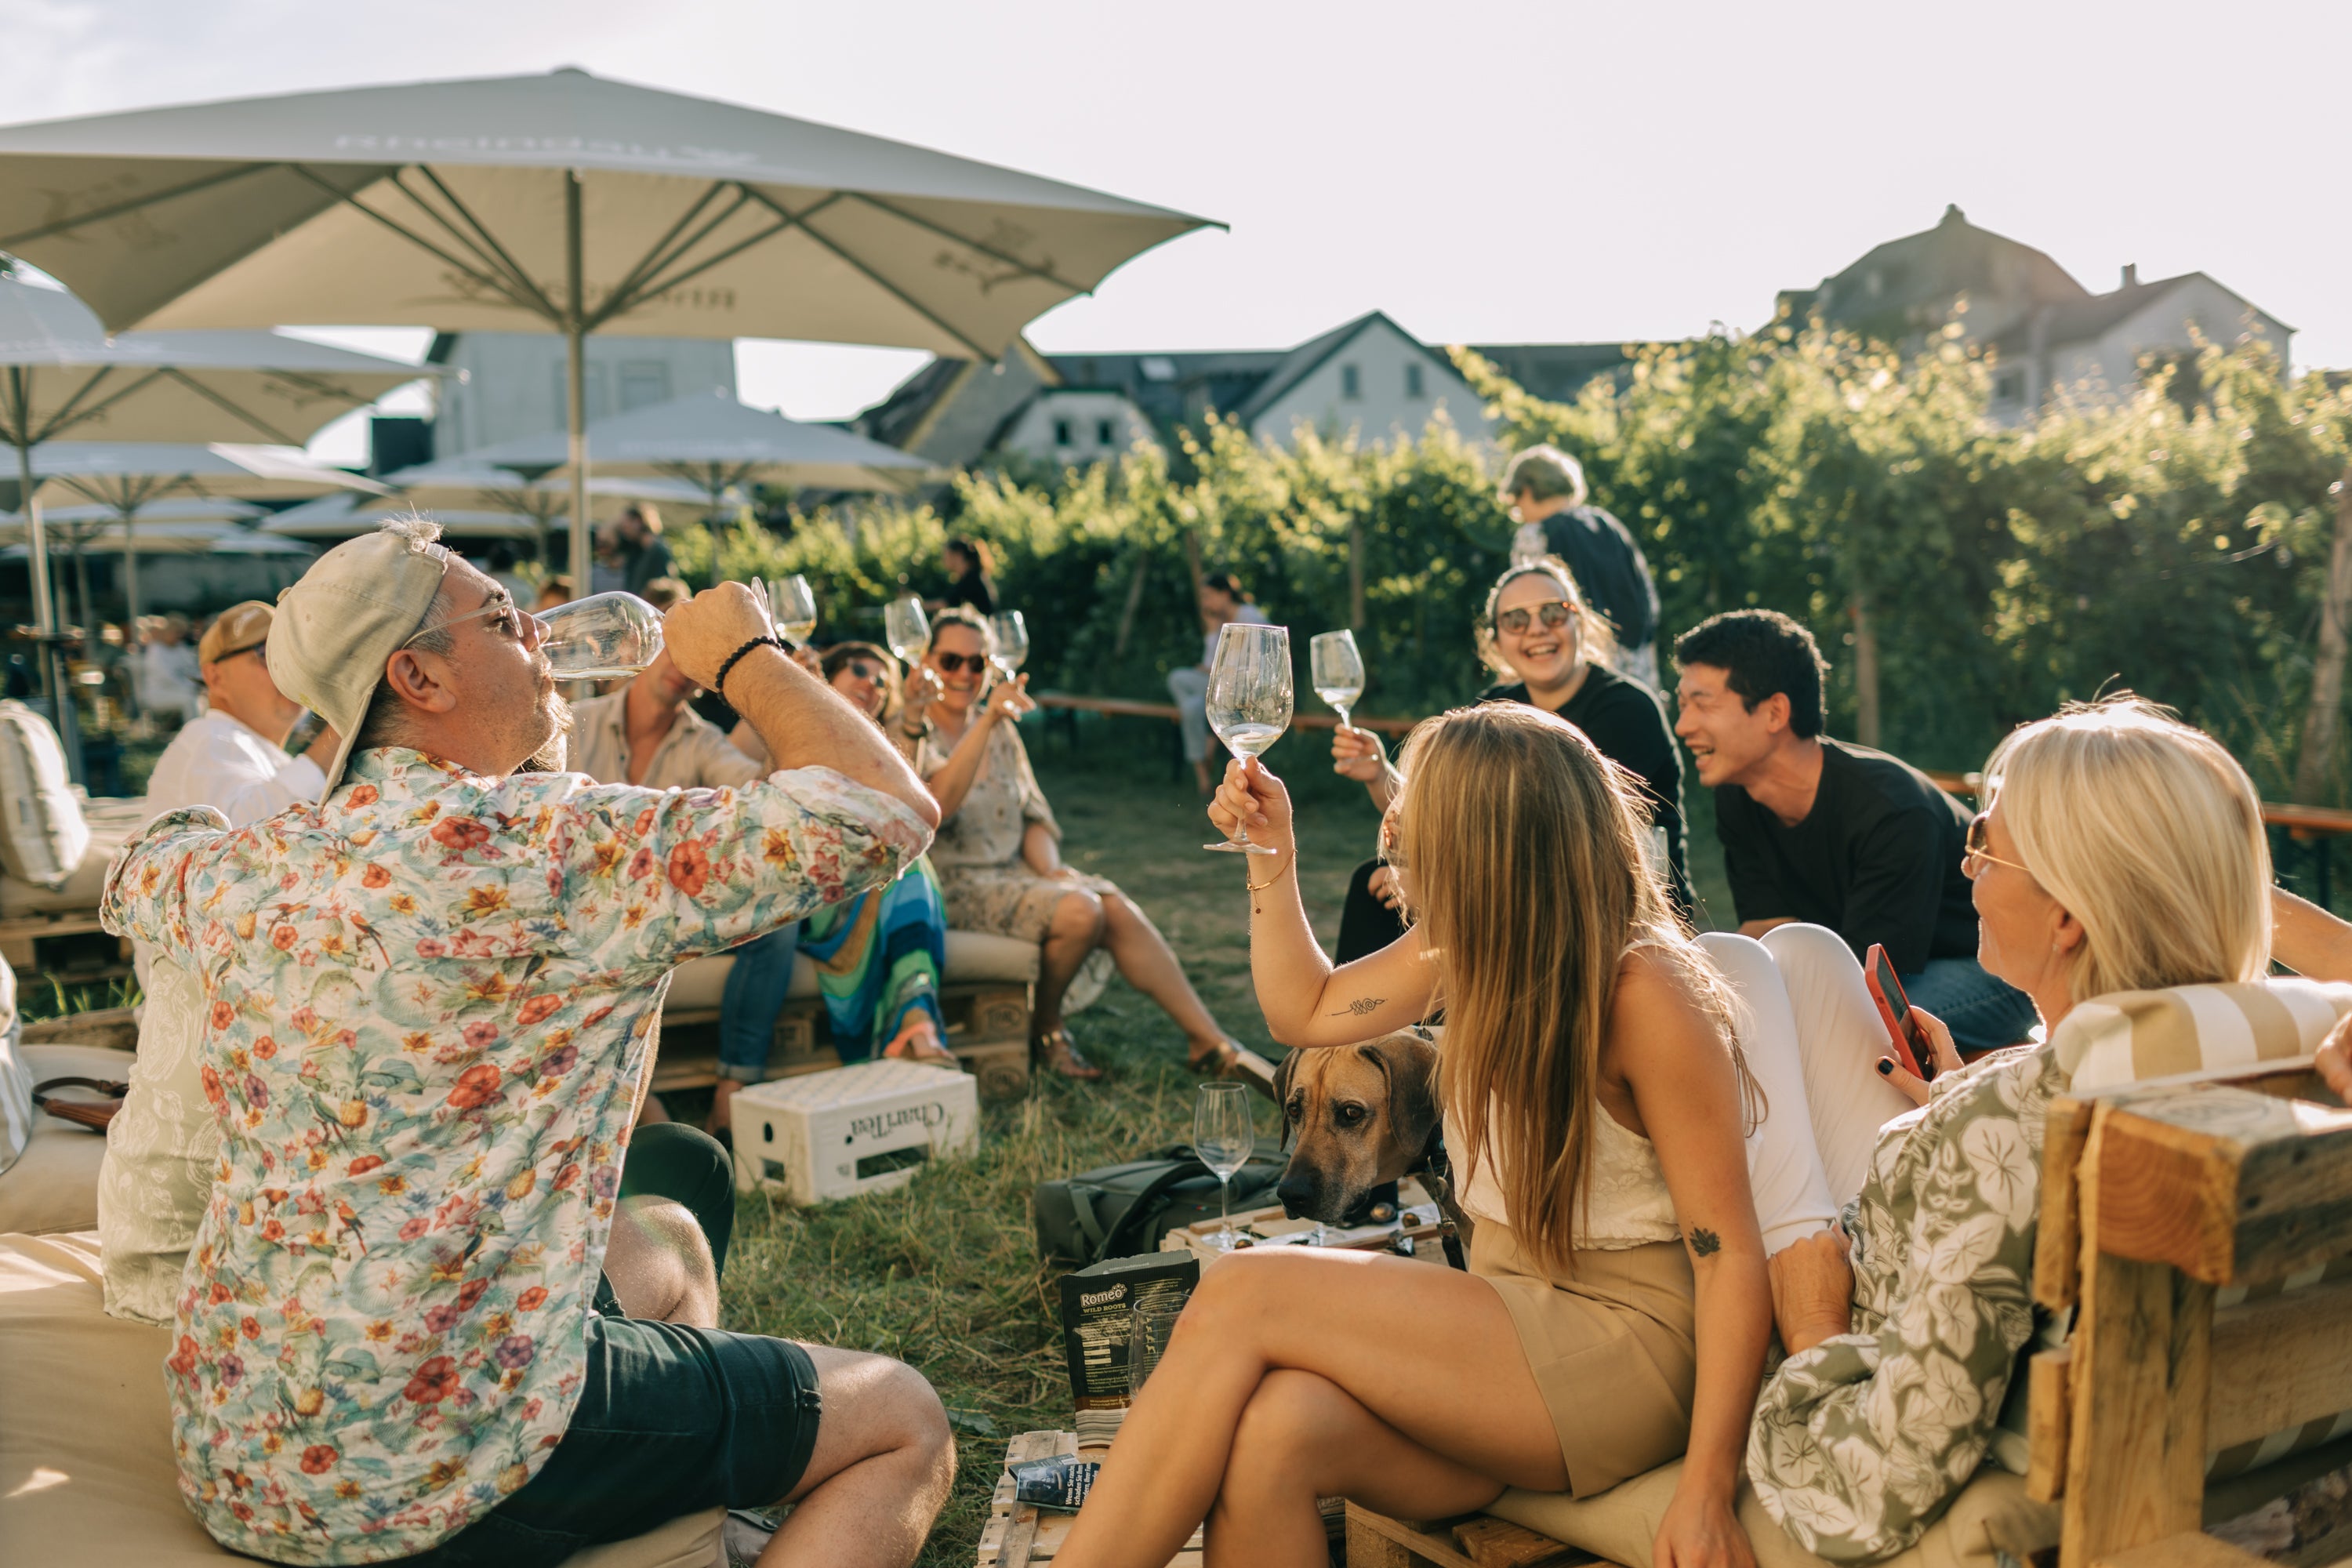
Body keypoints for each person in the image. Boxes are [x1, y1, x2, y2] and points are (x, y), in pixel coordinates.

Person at [100, 518, 953, 1568]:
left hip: (241, 1451)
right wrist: (743, 653)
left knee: (672, 1245)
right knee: (907, 1420)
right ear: (418, 675)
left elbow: (143, 868)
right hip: (438, 1468)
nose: (544, 637)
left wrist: (347, 718)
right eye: (506, 621)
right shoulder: (553, 849)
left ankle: (686, 1513)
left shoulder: (238, 868)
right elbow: (883, 811)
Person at [1058, 704, 1771, 1568]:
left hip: (1628, 1348)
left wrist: (1706, 1487)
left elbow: (1730, 1252)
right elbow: (1306, 1010)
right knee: (1274, 1432)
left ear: (1489, 838)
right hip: (1514, 1328)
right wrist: (1269, 849)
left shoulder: (1645, 991)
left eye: (1418, 804)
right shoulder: (1472, 945)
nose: (1392, 823)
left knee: (1243, 1290)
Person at [1743, 697, 2287, 1562]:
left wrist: (1812, 1323)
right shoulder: (2280, 1052)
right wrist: (1973, 1089)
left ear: (2068, 915)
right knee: (1807, 957)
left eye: (1984, 846)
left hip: (1871, 1331)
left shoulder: (2013, 1121)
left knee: (1746, 983)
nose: (1968, 871)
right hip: (2245, 1450)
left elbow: (1882, 1479)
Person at [908, 606, 1254, 1083]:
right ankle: (1047, 1026)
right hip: (952, 885)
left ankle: (1209, 1041)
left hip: (1015, 876)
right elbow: (936, 804)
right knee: (1080, 910)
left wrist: (1050, 869)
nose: (965, 673)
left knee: (1110, 904)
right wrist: (986, 721)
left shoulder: (1003, 731)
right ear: (925, 660)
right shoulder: (913, 730)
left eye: (977, 662)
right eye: (951, 661)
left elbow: (1034, 815)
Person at [1673, 608, 2038, 1055]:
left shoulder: (1892, 809)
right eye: (1682, 704)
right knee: (1745, 1014)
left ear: (1774, 712)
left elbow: (1874, 985)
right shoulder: (1740, 795)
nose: (1683, 726)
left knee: (1839, 1029)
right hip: (1869, 970)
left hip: (1990, 969)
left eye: (1702, 703)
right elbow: (1767, 933)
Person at [1329, 558, 1691, 960]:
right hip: (1520, 895)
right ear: (1496, 640)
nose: (1537, 628)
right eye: (1516, 620)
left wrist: (1433, 882)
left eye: (1553, 613)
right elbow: (1443, 812)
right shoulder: (1492, 707)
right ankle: (1375, 1022)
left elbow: (1560, 837)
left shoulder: (1626, 708)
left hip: (1613, 909)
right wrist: (1381, 776)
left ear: (1580, 624)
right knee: (1375, 883)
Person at [710, 641, 959, 1138]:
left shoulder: (877, 753)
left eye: (882, 680)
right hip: (795, 889)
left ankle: (915, 1018)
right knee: (905, 869)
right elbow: (733, 774)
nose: (873, 682)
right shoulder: (786, 725)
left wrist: (911, 718)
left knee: (909, 868)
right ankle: (913, 1026)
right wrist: (776, 686)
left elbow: (914, 807)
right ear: (827, 677)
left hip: (862, 886)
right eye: (861, 670)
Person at [145, 601, 339, 825]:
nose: (288, 668)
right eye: (266, 652)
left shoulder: (258, 753)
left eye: (295, 654)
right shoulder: (212, 736)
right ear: (216, 678)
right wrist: (343, 732)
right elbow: (242, 837)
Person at [1501, 445, 1661, 688]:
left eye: (1516, 501)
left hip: (1579, 670)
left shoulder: (1534, 534)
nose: (1519, 511)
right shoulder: (1607, 524)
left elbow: (1527, 605)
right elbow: (1648, 596)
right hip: (1637, 666)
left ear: (1526, 490)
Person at [1167, 572, 1271, 793]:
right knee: (1183, 691)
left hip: (1244, 689)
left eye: (1208, 596)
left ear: (1225, 594)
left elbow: (1255, 665)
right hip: (1218, 685)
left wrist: (1215, 669)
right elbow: (1210, 663)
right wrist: (1213, 631)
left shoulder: (1249, 616)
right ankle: (1205, 754)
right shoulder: (1219, 622)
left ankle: (1204, 759)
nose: (1205, 603)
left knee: (1193, 705)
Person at [135, 612, 201, 723]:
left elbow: (192, 669)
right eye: (176, 632)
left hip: (182, 690)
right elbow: (166, 677)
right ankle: (193, 732)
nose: (178, 636)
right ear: (167, 631)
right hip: (159, 693)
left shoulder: (181, 649)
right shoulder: (156, 650)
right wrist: (189, 687)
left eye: (181, 634)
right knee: (189, 700)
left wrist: (200, 683)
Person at [614, 503, 676, 597]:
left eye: (626, 526)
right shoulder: (637, 551)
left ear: (638, 522)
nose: (625, 531)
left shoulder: (659, 552)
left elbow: (666, 585)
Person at [927, 535, 996, 615]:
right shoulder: (973, 576)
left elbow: (944, 604)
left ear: (958, 555)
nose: (943, 560)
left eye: (946, 555)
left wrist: (919, 605)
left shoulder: (971, 580)